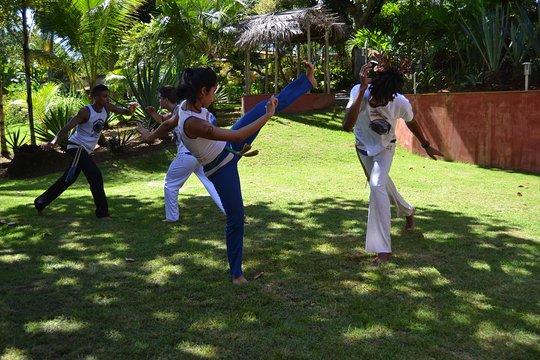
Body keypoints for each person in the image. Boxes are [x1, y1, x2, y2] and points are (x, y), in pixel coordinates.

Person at [138, 62, 317, 284]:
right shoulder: (194, 123)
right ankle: (236, 274)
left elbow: (166, 126)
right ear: (203, 91)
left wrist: (148, 136)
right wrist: (267, 117)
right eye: (213, 91)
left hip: (229, 149)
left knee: (264, 104)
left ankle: (307, 82)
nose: (214, 96)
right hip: (221, 167)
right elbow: (236, 135)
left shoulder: (184, 106)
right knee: (235, 218)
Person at [342, 63, 442, 265]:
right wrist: (362, 90)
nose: (378, 102)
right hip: (362, 148)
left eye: (384, 100)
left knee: (377, 185)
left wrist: (425, 144)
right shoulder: (359, 91)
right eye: (376, 98)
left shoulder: (399, 102)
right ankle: (408, 210)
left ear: (392, 96)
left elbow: (411, 121)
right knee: (381, 184)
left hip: (385, 148)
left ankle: (383, 249)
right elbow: (346, 126)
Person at [34, 84, 138, 218]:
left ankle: (40, 202)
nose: (108, 99)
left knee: (68, 179)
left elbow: (126, 112)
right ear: (95, 97)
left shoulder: (107, 108)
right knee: (95, 175)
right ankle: (102, 213)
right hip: (77, 147)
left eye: (108, 96)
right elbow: (66, 128)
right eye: (104, 96)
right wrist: (54, 142)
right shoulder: (85, 111)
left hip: (85, 150)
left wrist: (131, 109)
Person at [143, 85, 225, 222]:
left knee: (170, 184)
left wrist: (149, 136)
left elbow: (166, 125)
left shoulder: (182, 109)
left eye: (160, 98)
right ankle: (230, 211)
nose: (159, 101)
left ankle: (171, 218)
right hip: (200, 154)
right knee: (209, 182)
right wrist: (153, 115)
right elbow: (165, 120)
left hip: (187, 154)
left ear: (166, 99)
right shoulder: (180, 109)